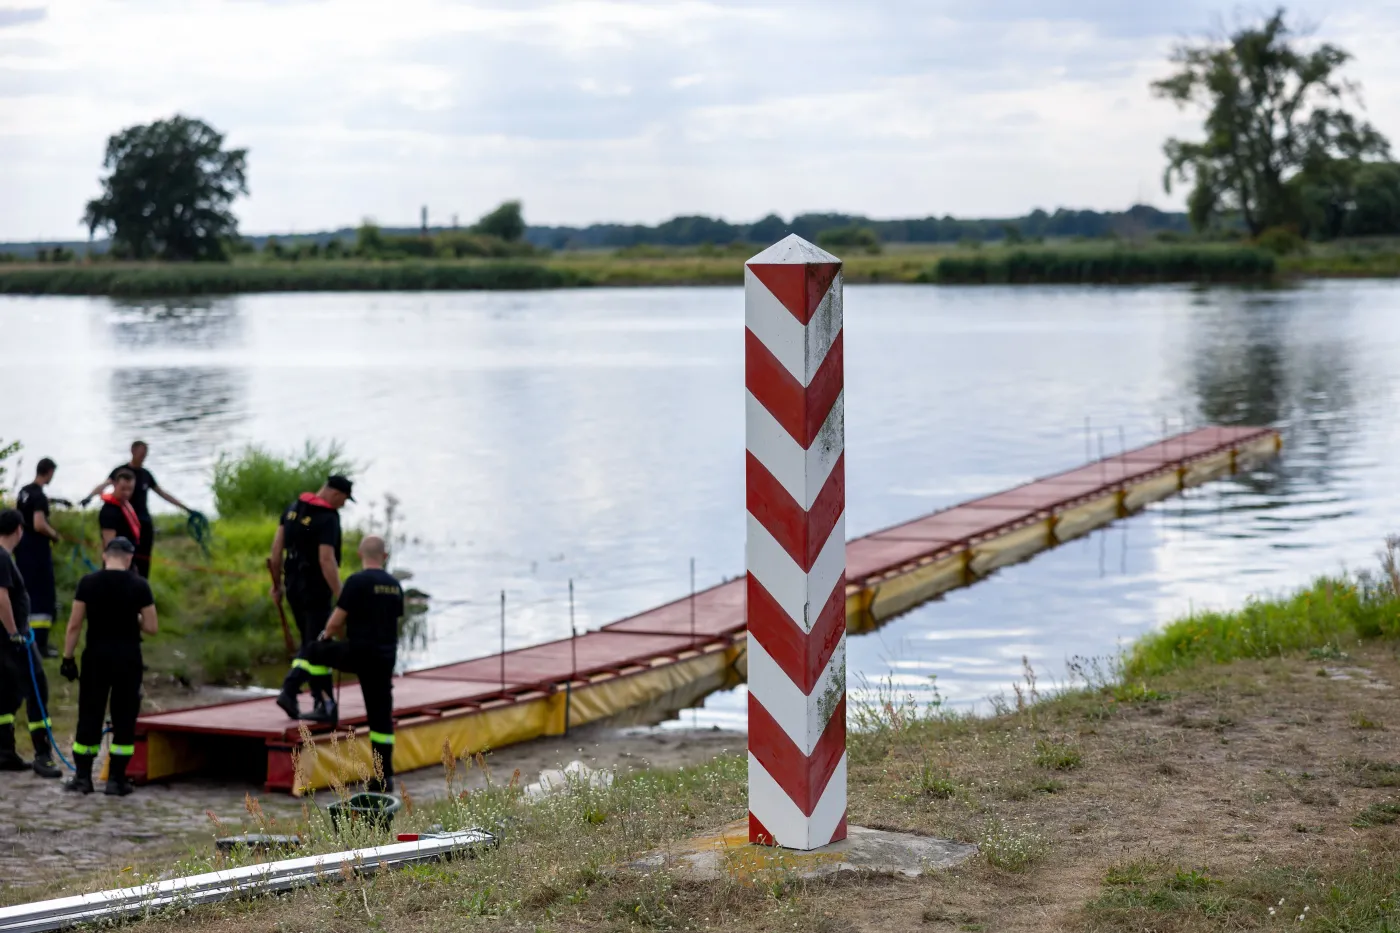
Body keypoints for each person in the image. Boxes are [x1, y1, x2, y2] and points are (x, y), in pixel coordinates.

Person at [276, 535, 403, 793]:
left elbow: (336, 620)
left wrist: (325, 637)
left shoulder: (356, 582)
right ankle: (384, 776)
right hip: (384, 658)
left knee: (313, 650)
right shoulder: (394, 586)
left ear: (359, 554)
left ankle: (308, 696)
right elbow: (392, 620)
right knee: (381, 719)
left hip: (357, 653)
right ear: (385, 556)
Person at [59, 536, 157, 796]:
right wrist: (133, 617)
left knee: (90, 713)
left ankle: (83, 778)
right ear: (129, 558)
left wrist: (67, 658)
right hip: (128, 659)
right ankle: (116, 780)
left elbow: (74, 625)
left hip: (96, 658)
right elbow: (152, 627)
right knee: (124, 716)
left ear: (105, 556)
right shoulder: (140, 586)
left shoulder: (88, 583)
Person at [269, 475, 354, 723]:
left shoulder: (293, 509)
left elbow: (276, 553)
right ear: (337, 494)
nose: (343, 506)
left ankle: (324, 703)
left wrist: (276, 585)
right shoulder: (328, 518)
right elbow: (326, 560)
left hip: (293, 586)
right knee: (316, 644)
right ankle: (290, 687)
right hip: (316, 589)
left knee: (314, 643)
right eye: (345, 500)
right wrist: (342, 597)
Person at [0, 509, 62, 778]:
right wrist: (15, 632)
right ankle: (43, 755)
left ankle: (4, 752)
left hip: (2, 641)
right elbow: (1, 597)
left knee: (7, 695)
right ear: (19, 530)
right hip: (14, 640)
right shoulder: (2, 557)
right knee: (38, 692)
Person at [83, 441, 197, 579]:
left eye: (145, 454)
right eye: (141, 453)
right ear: (133, 451)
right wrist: (89, 497)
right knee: (120, 554)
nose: (143, 457)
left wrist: (185, 508)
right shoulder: (120, 472)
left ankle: (142, 585)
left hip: (142, 522)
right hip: (123, 521)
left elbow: (162, 493)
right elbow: (105, 484)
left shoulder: (146, 475)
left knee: (143, 559)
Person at [15, 459, 62, 657]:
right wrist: (55, 535)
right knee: (43, 597)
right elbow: (39, 524)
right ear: (49, 472)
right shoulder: (39, 496)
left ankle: (25, 636)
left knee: (25, 593)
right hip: (38, 552)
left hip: (22, 548)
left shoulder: (24, 491)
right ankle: (40, 644)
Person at [97, 469, 144, 555]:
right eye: (123, 489)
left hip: (129, 557)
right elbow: (109, 544)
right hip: (116, 561)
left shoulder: (125, 505)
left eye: (130, 489)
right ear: (115, 485)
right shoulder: (109, 511)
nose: (127, 493)